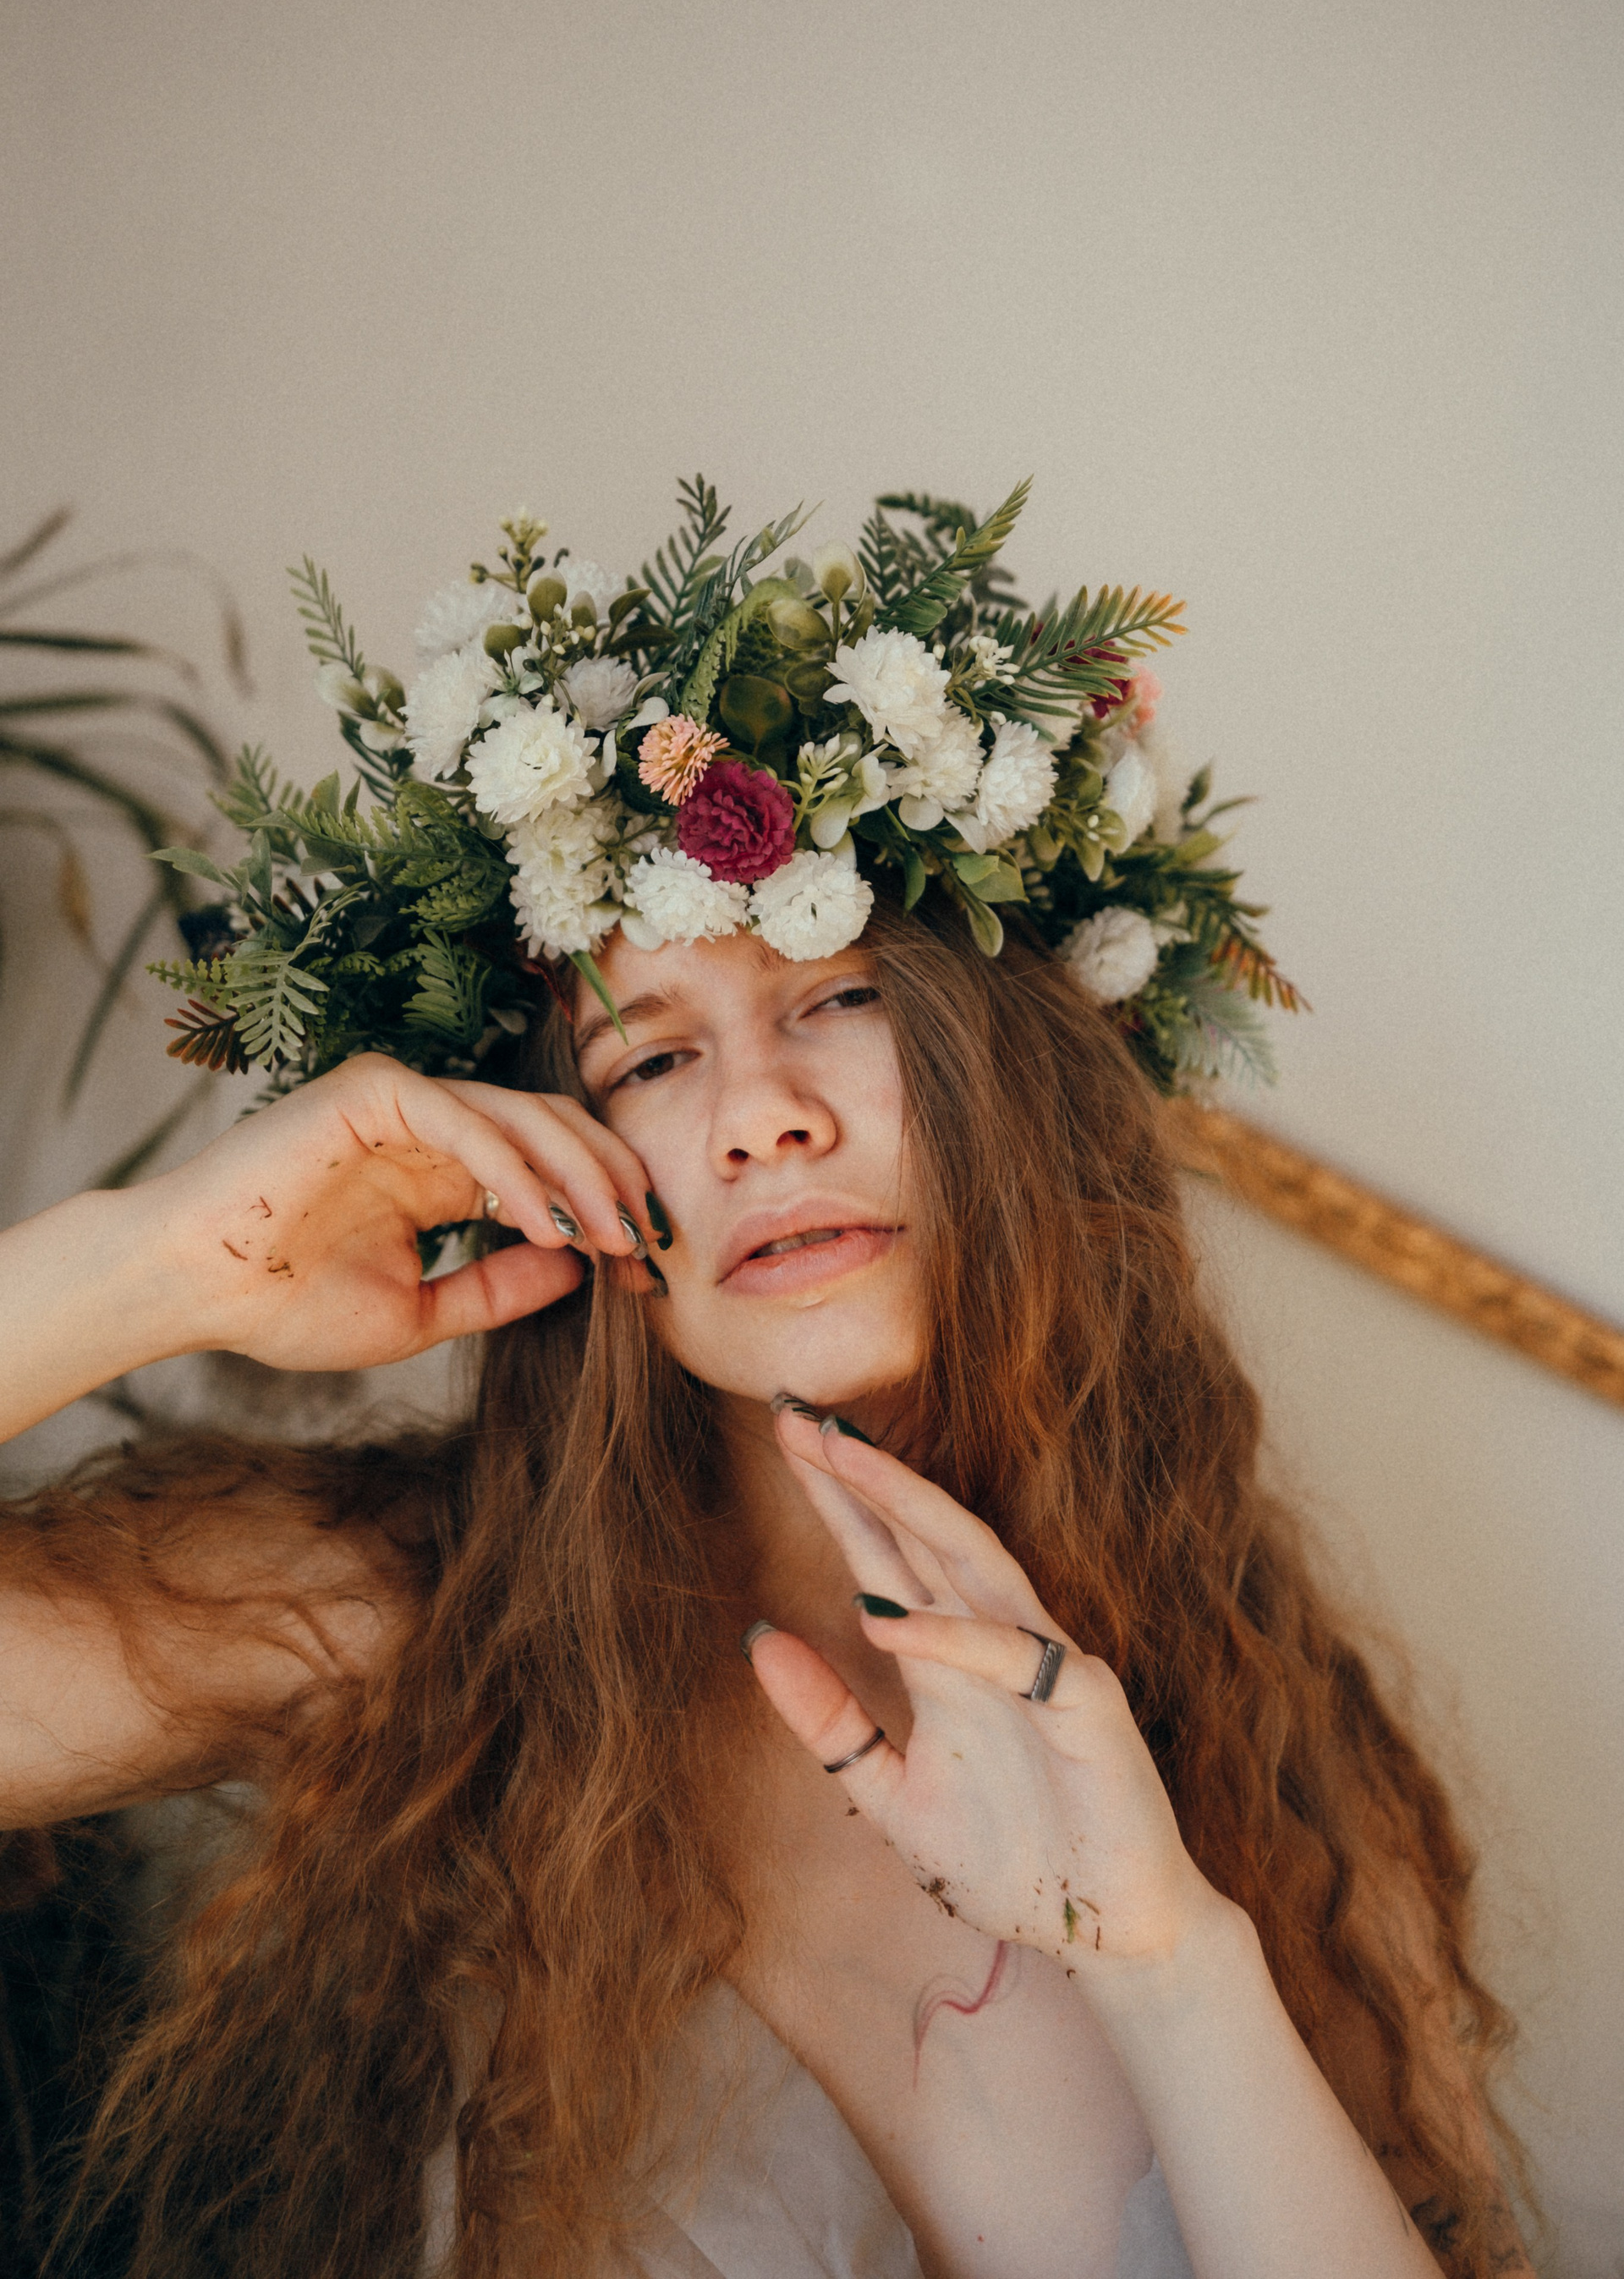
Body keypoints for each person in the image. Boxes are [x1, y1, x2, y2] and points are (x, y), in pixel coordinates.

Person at [0, 894, 1530, 2277]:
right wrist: (160, 1266)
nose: (759, 1120)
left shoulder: (1263, 1732)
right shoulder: (403, 1617)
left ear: (1009, 1066)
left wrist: (1172, 1963)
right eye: (652, 1061)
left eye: (839, 995)